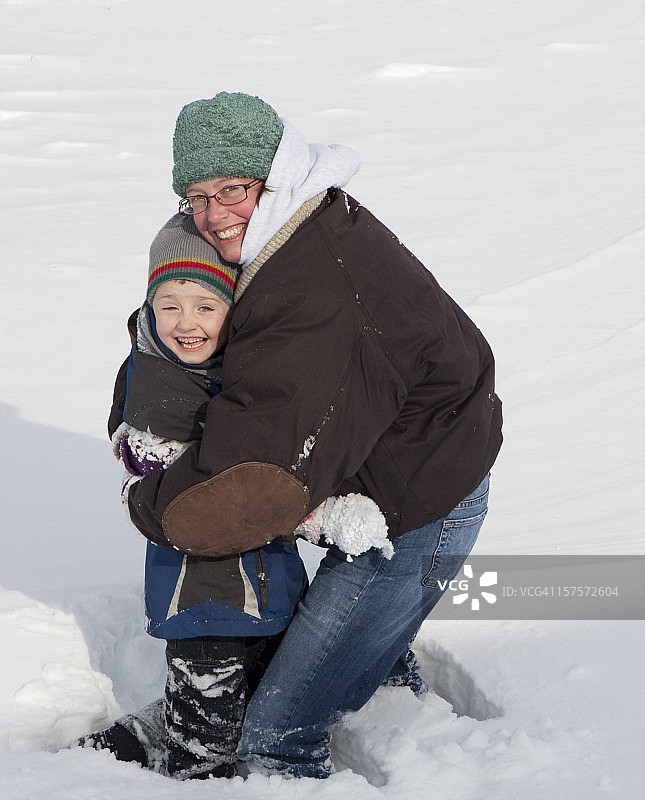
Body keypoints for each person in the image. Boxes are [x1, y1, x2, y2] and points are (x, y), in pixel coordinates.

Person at [118, 91, 503, 779]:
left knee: (273, 737)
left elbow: (243, 489)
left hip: (418, 513)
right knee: (305, 667)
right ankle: (362, 666)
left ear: (277, 175)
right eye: (196, 196)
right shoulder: (298, 228)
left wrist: (146, 501)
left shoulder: (308, 287)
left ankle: (356, 710)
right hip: (388, 485)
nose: (212, 214)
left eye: (231, 188)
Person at [80, 216, 309, 779]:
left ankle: (155, 732)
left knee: (253, 679)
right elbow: (144, 451)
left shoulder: (243, 368)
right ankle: (188, 762)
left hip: (264, 574)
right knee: (206, 747)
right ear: (149, 306)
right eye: (171, 305)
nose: (187, 323)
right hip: (201, 600)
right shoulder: (154, 373)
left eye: (206, 306)